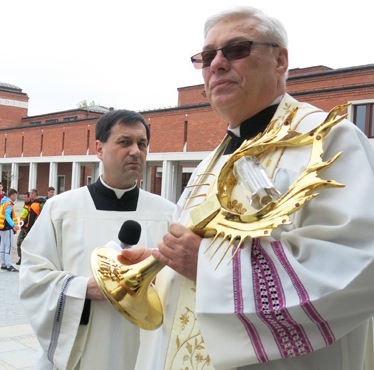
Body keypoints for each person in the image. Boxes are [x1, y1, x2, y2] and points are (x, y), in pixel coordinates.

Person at [127, 6, 374, 370]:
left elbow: (356, 262)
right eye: (207, 56)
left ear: (280, 60)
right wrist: (161, 262)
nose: (218, 64)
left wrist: (209, 268)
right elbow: (200, 247)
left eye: (237, 49)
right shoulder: (214, 159)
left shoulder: (325, 139)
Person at [19, 109, 175, 370]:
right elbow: (33, 277)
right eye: (125, 142)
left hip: (145, 349)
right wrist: (81, 289)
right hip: (84, 349)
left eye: (142, 143)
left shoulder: (167, 214)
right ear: (99, 148)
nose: (135, 151)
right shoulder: (61, 209)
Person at [0, 188, 19, 272]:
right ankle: (9, 265)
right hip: (7, 227)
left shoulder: (3, 202)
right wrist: (14, 225)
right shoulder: (9, 204)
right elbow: (7, 216)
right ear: (12, 195)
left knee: (3, 246)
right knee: (8, 246)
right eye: (15, 195)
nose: (16, 197)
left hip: (1, 226)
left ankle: (3, 264)